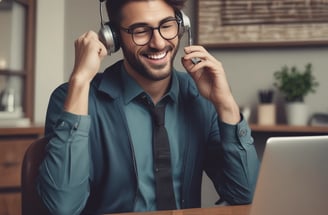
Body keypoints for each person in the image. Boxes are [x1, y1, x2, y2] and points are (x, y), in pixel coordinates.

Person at [36, 0, 259, 214]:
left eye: (167, 26)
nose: (159, 42)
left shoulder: (200, 97)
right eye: (140, 30)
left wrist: (226, 104)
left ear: (181, 24)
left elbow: (245, 195)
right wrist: (80, 81)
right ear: (113, 36)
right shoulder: (74, 97)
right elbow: (61, 207)